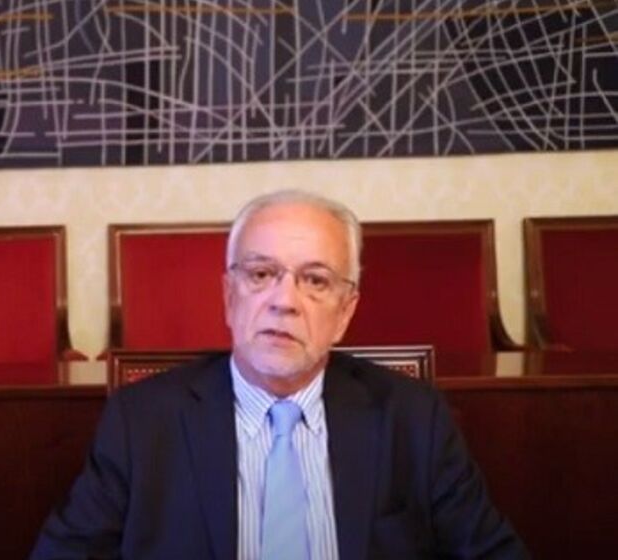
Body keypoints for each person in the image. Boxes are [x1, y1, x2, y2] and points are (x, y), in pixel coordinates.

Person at [31, 190, 527, 559]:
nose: (284, 301)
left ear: (345, 312)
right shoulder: (142, 423)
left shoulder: (414, 419)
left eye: (315, 280)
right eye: (261, 274)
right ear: (229, 296)